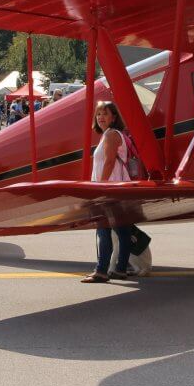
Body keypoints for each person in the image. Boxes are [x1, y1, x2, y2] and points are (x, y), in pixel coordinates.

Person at [81, 101, 134, 283]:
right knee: (122, 230)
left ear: (114, 117)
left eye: (105, 113)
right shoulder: (110, 134)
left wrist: (100, 187)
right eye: (98, 114)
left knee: (103, 229)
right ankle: (120, 269)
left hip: (110, 188)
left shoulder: (111, 135)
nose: (100, 117)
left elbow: (110, 162)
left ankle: (101, 271)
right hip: (117, 188)